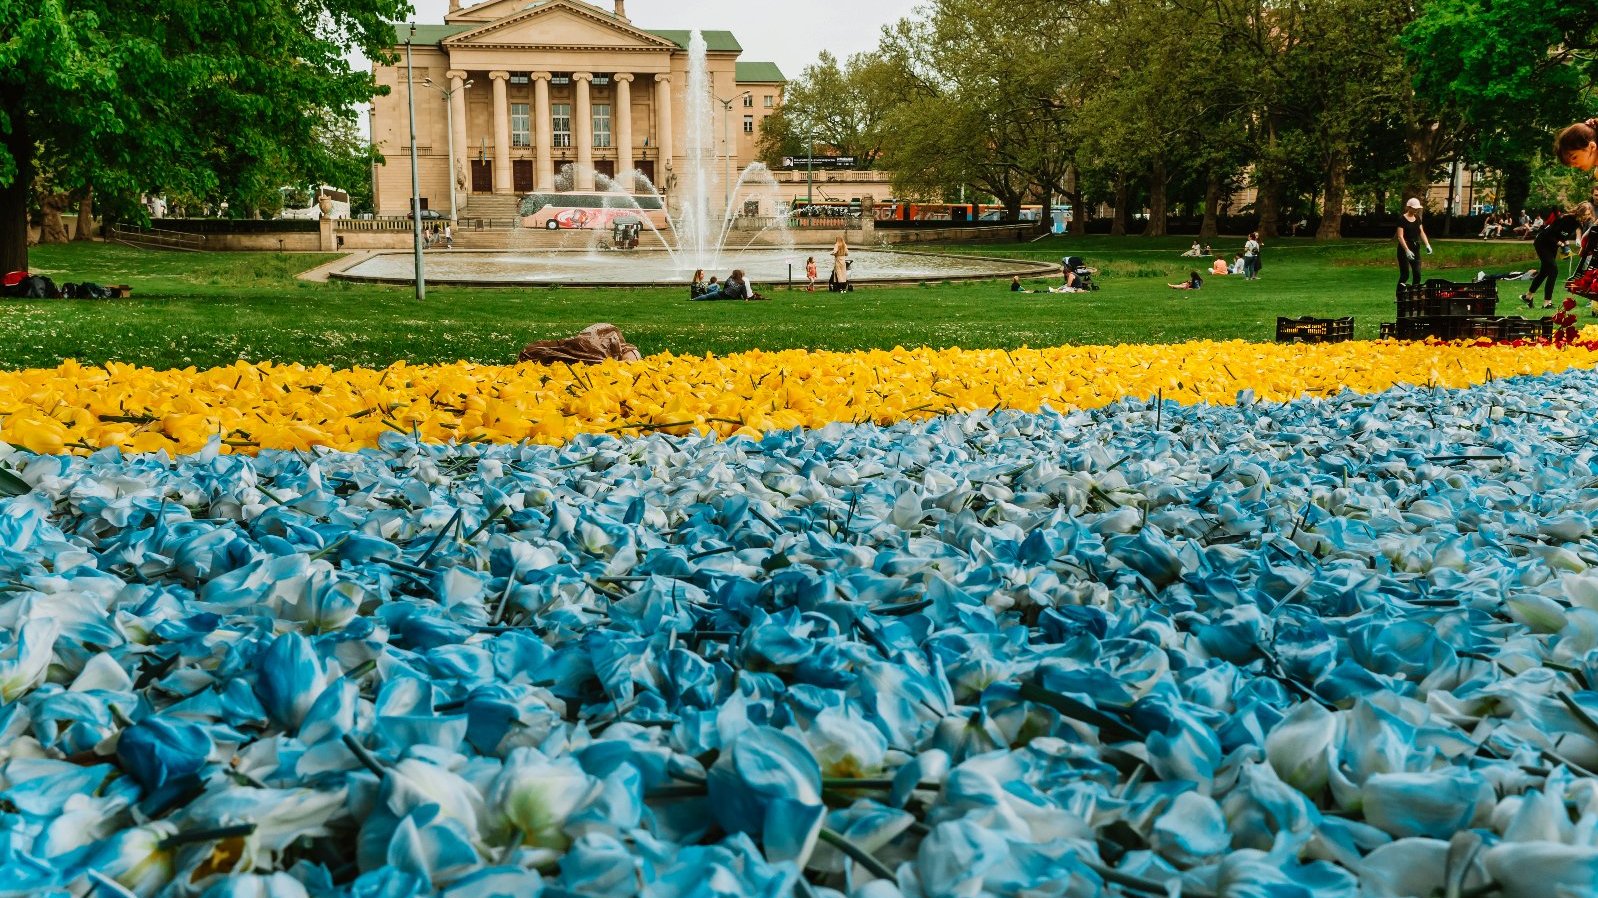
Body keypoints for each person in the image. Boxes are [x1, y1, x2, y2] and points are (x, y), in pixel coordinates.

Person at [1522, 203, 1592, 308]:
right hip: (1542, 243)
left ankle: (1528, 297)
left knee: (1544, 272)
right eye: (1586, 214)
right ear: (1580, 212)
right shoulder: (1566, 219)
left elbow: (1563, 235)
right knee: (1553, 271)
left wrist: (1566, 244)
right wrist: (1561, 244)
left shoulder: (1577, 223)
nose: (1587, 216)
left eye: (1589, 214)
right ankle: (1547, 303)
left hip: (1552, 246)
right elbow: (1550, 234)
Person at [1395, 198, 1432, 286]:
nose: (1416, 210)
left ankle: (1414, 294)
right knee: (1405, 275)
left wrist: (1427, 244)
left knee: (1417, 274)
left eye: (1417, 208)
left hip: (1415, 248)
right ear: (1409, 207)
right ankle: (1399, 295)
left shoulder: (1417, 217)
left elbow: (1421, 232)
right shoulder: (1402, 219)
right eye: (1414, 208)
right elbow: (1400, 237)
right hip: (1404, 249)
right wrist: (1407, 250)